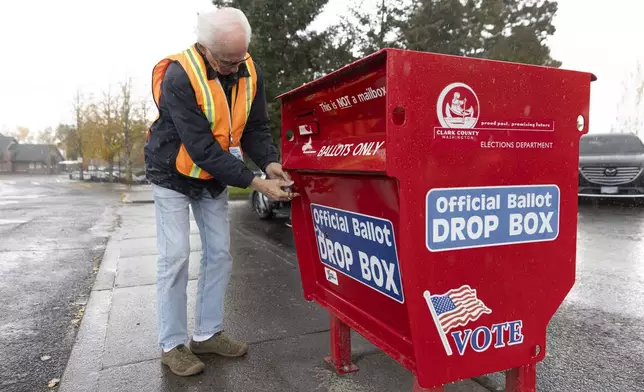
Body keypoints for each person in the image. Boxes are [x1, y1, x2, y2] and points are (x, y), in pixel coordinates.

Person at [144, 6, 299, 376]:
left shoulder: (248, 68)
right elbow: (202, 148)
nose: (235, 66)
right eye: (227, 61)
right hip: (173, 173)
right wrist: (255, 182)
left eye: (240, 57)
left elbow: (255, 128)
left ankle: (208, 334)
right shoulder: (180, 77)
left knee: (219, 254)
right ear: (204, 47)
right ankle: (172, 344)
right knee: (176, 255)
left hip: (213, 176)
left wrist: (270, 162)